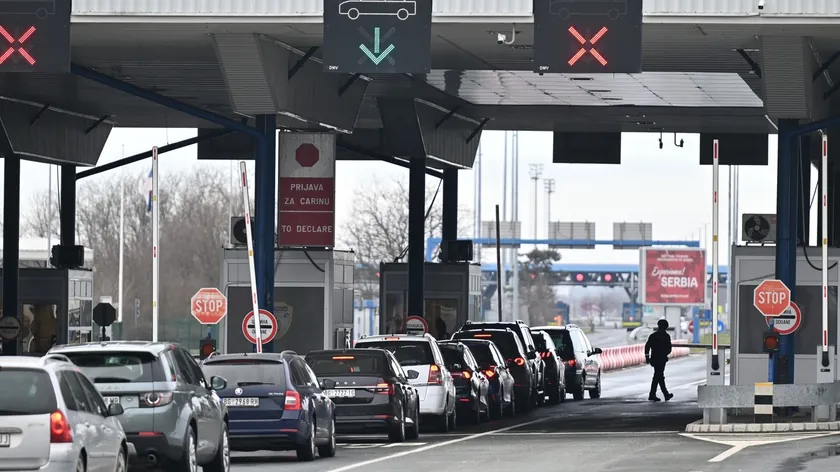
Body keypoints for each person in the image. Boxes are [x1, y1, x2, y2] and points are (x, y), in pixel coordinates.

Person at [645, 319, 674, 402]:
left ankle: (663, 394)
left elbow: (647, 346)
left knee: (658, 376)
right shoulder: (666, 336)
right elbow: (669, 349)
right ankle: (656, 394)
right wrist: (664, 354)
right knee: (658, 376)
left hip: (654, 358)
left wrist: (647, 357)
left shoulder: (653, 336)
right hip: (662, 359)